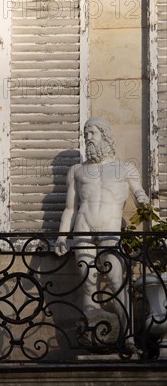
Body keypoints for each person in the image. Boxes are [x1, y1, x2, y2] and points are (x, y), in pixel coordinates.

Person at [54, 117, 149, 346]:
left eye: (92, 133)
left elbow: (139, 194)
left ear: (105, 135)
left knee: (116, 281)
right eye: (86, 134)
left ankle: (128, 339)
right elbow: (70, 208)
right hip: (83, 227)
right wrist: (61, 235)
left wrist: (143, 200)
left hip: (110, 230)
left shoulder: (124, 168)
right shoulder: (77, 171)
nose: (88, 138)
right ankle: (93, 341)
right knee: (88, 282)